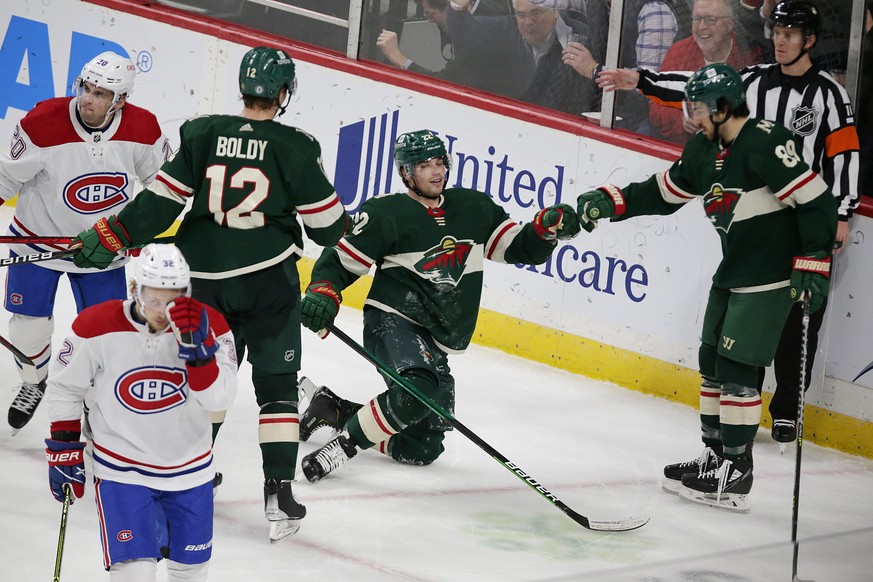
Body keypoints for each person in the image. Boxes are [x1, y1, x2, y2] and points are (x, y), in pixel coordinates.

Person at [67, 46, 350, 541]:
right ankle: (278, 493)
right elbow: (329, 229)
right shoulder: (297, 146)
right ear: (283, 94)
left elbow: (158, 206)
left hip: (201, 281)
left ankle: (186, 473)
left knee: (200, 376)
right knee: (278, 388)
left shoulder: (200, 132)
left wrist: (112, 235)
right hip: (268, 283)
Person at [595, 0, 860, 443]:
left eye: (790, 34)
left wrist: (842, 211)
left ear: (809, 41)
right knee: (743, 316)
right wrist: (641, 80)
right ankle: (744, 400)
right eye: (776, 32)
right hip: (756, 221)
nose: (779, 40)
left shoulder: (830, 94)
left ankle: (788, 408)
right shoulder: (752, 82)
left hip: (802, 220)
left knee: (798, 318)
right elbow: (693, 87)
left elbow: (844, 154)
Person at [576, 63, 836, 511]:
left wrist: (814, 260)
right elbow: (664, 192)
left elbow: (816, 200)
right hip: (734, 267)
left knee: (737, 366)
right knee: (712, 358)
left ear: (722, 106)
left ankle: (736, 469)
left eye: (697, 105)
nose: (690, 113)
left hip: (771, 274)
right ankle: (714, 457)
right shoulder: (703, 148)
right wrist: (611, 200)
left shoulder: (766, 142)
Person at [295, 129, 580, 482]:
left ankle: (334, 411)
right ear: (406, 173)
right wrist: (324, 291)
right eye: (425, 165)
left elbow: (516, 247)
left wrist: (544, 231)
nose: (436, 171)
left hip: (437, 336)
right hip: (394, 320)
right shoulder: (386, 213)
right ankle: (341, 449)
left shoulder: (474, 207)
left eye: (440, 162)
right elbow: (339, 262)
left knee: (422, 445)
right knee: (417, 391)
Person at [44, 244, 237, 581]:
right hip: (122, 471)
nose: (162, 310)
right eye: (154, 299)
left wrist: (199, 353)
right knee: (135, 574)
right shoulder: (95, 324)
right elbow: (66, 387)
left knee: (191, 573)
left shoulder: (212, 327)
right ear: (135, 290)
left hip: (190, 472)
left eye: (173, 299)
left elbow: (218, 400)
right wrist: (63, 447)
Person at [0, 51, 170, 434]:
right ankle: (33, 381)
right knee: (28, 327)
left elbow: (165, 189)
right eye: (85, 87)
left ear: (120, 100)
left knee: (105, 333)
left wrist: (137, 232)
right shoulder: (42, 123)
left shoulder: (143, 129)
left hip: (103, 250)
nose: (87, 98)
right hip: (36, 244)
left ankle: (97, 402)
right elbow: (4, 179)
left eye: (100, 93)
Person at [445, 0, 598, 115]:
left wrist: (592, 70)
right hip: (517, 124)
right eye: (521, 15)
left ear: (555, 12)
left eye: (536, 13)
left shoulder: (582, 37)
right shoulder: (508, 29)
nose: (528, 22)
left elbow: (601, 89)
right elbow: (464, 31)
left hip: (565, 130)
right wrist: (457, 6)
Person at [650, 0, 757, 143]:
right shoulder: (679, 52)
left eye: (711, 20)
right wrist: (682, 117)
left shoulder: (748, 56)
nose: (701, 27)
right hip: (685, 146)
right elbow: (655, 103)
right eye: (697, 19)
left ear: (729, 25)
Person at [375, 0, 527, 98]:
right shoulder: (492, 7)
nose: (429, 20)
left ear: (449, 5)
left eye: (430, 14)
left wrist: (397, 56)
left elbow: (445, 83)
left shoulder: (474, 39)